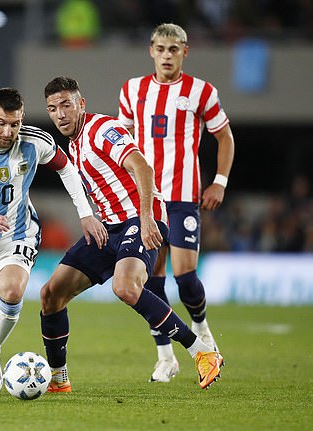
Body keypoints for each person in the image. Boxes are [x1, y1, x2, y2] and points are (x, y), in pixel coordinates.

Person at [40, 76, 223, 392]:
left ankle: (202, 352)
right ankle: (59, 379)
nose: (60, 114)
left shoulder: (101, 129)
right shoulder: (73, 144)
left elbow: (143, 167)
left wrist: (148, 216)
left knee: (124, 286)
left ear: (81, 104)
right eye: (53, 108)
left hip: (139, 220)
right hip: (109, 227)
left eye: (66, 105)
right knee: (50, 294)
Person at [0, 87, 106, 395]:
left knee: (13, 290)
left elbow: (66, 168)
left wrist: (85, 213)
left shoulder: (35, 141)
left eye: (14, 124)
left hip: (17, 233)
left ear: (21, 119)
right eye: (1, 123)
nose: (7, 131)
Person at [117, 23, 234, 383]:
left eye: (174, 49)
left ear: (186, 51)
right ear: (150, 50)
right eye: (161, 48)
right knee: (151, 278)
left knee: (185, 277)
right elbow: (120, 144)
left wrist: (219, 181)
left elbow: (225, 137)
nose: (167, 55)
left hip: (183, 196)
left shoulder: (201, 91)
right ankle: (165, 358)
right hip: (146, 198)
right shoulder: (132, 90)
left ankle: (203, 334)